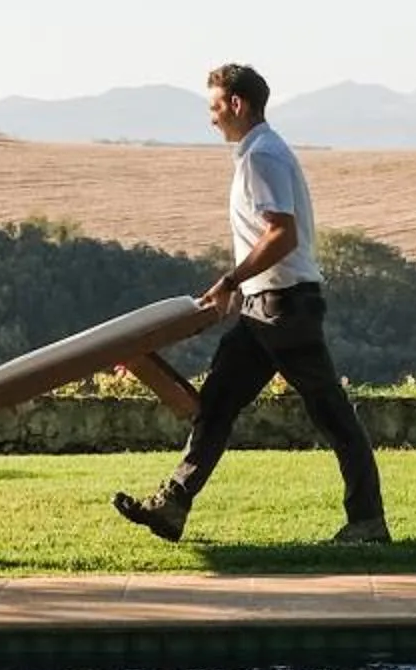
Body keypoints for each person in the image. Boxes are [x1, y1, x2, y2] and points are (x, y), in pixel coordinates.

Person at [114, 63, 389, 544]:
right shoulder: (259, 153)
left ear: (236, 104)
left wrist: (229, 280)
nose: (211, 118)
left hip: (284, 309)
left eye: (214, 106)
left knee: (331, 413)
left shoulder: (263, 157)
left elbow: (281, 234)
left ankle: (368, 521)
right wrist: (239, 290)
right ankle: (174, 504)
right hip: (266, 306)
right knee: (217, 403)